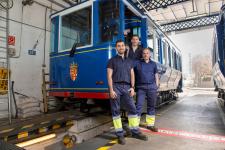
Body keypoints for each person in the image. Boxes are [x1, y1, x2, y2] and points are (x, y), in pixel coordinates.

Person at [107, 40, 148, 145]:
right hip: (116, 86)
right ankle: (119, 134)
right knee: (116, 110)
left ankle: (135, 131)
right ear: (116, 48)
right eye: (118, 46)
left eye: (122, 46)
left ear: (125, 48)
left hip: (126, 87)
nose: (121, 47)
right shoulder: (112, 60)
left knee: (133, 109)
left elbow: (132, 74)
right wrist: (111, 90)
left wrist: (132, 87)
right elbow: (109, 76)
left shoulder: (130, 61)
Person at [134, 48, 159, 132]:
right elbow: (132, 74)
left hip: (152, 87)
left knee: (151, 106)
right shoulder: (137, 63)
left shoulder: (153, 64)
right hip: (141, 87)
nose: (145, 55)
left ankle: (150, 125)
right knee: (139, 106)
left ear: (149, 54)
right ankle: (135, 125)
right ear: (142, 55)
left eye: (147, 53)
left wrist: (156, 85)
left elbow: (156, 75)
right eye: (144, 53)